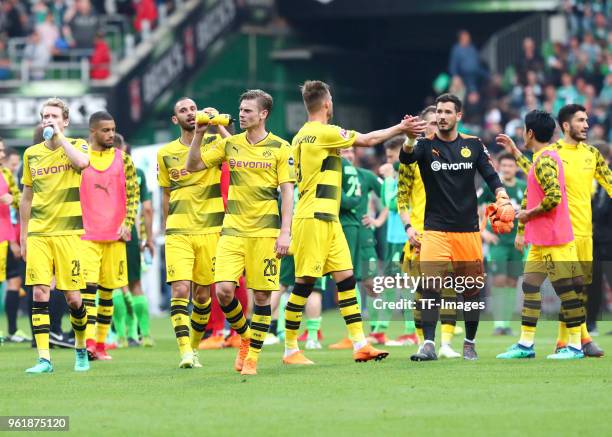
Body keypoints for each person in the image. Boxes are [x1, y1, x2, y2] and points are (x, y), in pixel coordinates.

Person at [282, 80, 425, 365]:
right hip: (312, 217)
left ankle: (360, 343)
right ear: (326, 104)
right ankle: (290, 350)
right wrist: (401, 128)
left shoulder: (301, 136)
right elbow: (369, 140)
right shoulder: (325, 132)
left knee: (346, 279)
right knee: (304, 283)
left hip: (328, 218)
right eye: (331, 99)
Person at [186, 89, 295, 376]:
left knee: (261, 298)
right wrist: (198, 134)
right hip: (232, 230)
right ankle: (246, 336)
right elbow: (192, 165)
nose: (242, 114)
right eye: (241, 109)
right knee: (222, 291)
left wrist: (286, 232)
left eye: (248, 110)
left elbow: (287, 193)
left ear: (263, 114)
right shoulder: (230, 144)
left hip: (266, 232)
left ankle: (252, 358)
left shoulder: (281, 148)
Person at [399, 93, 510, 362]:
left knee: (470, 291)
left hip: (468, 231)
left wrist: (502, 195)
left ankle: (469, 343)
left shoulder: (473, 145)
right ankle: (428, 344)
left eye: (448, 112)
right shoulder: (425, 145)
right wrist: (410, 137)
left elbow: (491, 175)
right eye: (439, 111)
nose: (441, 116)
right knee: (430, 287)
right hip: (435, 230)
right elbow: (405, 159)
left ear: (458, 116)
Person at [500, 103, 612, 356]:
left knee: (576, 290)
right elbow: (535, 177)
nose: (586, 125)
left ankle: (573, 342)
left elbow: (610, 182)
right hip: (557, 230)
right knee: (560, 287)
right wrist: (517, 154)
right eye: (580, 120)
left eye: (587, 120)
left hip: (583, 232)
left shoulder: (592, 154)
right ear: (565, 125)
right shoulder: (553, 153)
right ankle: (573, 342)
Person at [157, 98, 229, 368]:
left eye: (192, 109)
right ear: (176, 120)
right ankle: (185, 351)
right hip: (178, 231)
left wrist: (218, 123)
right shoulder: (165, 153)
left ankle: (195, 348)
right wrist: (166, 227)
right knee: (180, 288)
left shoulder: (213, 145)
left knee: (202, 296)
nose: (189, 113)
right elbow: (165, 192)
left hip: (211, 229)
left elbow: (237, 148)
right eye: (183, 111)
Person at [20, 98, 90, 373]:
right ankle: (44, 359)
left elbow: (82, 163)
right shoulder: (31, 154)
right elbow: (27, 197)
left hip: (68, 233)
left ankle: (81, 348)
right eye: (45, 115)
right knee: (39, 292)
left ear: (65, 121)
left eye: (54, 115)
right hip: (39, 232)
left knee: (73, 298)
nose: (48, 119)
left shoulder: (77, 145)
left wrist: (60, 138)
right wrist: (24, 236)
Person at [398, 105, 463, 359]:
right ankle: (424, 342)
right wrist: (408, 227)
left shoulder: (457, 154)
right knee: (423, 292)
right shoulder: (412, 158)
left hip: (451, 232)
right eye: (431, 124)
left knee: (450, 289)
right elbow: (401, 197)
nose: (436, 127)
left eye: (439, 123)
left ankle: (446, 342)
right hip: (421, 234)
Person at [80, 112, 139, 361]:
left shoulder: (123, 159)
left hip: (114, 236)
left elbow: (134, 193)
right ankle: (88, 343)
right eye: (105, 130)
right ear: (93, 131)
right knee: (87, 292)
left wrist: (128, 223)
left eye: (113, 129)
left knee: (107, 293)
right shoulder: (81, 158)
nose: (111, 134)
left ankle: (101, 345)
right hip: (87, 235)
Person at [113, 134, 155, 348]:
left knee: (115, 286)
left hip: (106, 231)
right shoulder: (137, 174)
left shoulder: (101, 171)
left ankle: (121, 336)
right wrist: (148, 238)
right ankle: (144, 334)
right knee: (136, 284)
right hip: (130, 232)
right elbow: (147, 208)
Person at [478, 152, 526, 336]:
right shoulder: (492, 187)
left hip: (517, 242)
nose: (507, 169)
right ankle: (498, 324)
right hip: (497, 242)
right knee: (498, 281)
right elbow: (475, 205)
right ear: (498, 167)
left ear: (516, 168)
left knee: (513, 282)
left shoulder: (523, 187)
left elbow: (528, 212)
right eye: (504, 165)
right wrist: (483, 231)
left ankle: (506, 324)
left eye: (510, 166)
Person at [0, 139, 23, 342]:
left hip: (7, 236)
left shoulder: (6, 174)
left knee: (14, 280)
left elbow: (18, 198)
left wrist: (12, 199)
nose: (1, 155)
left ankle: (13, 330)